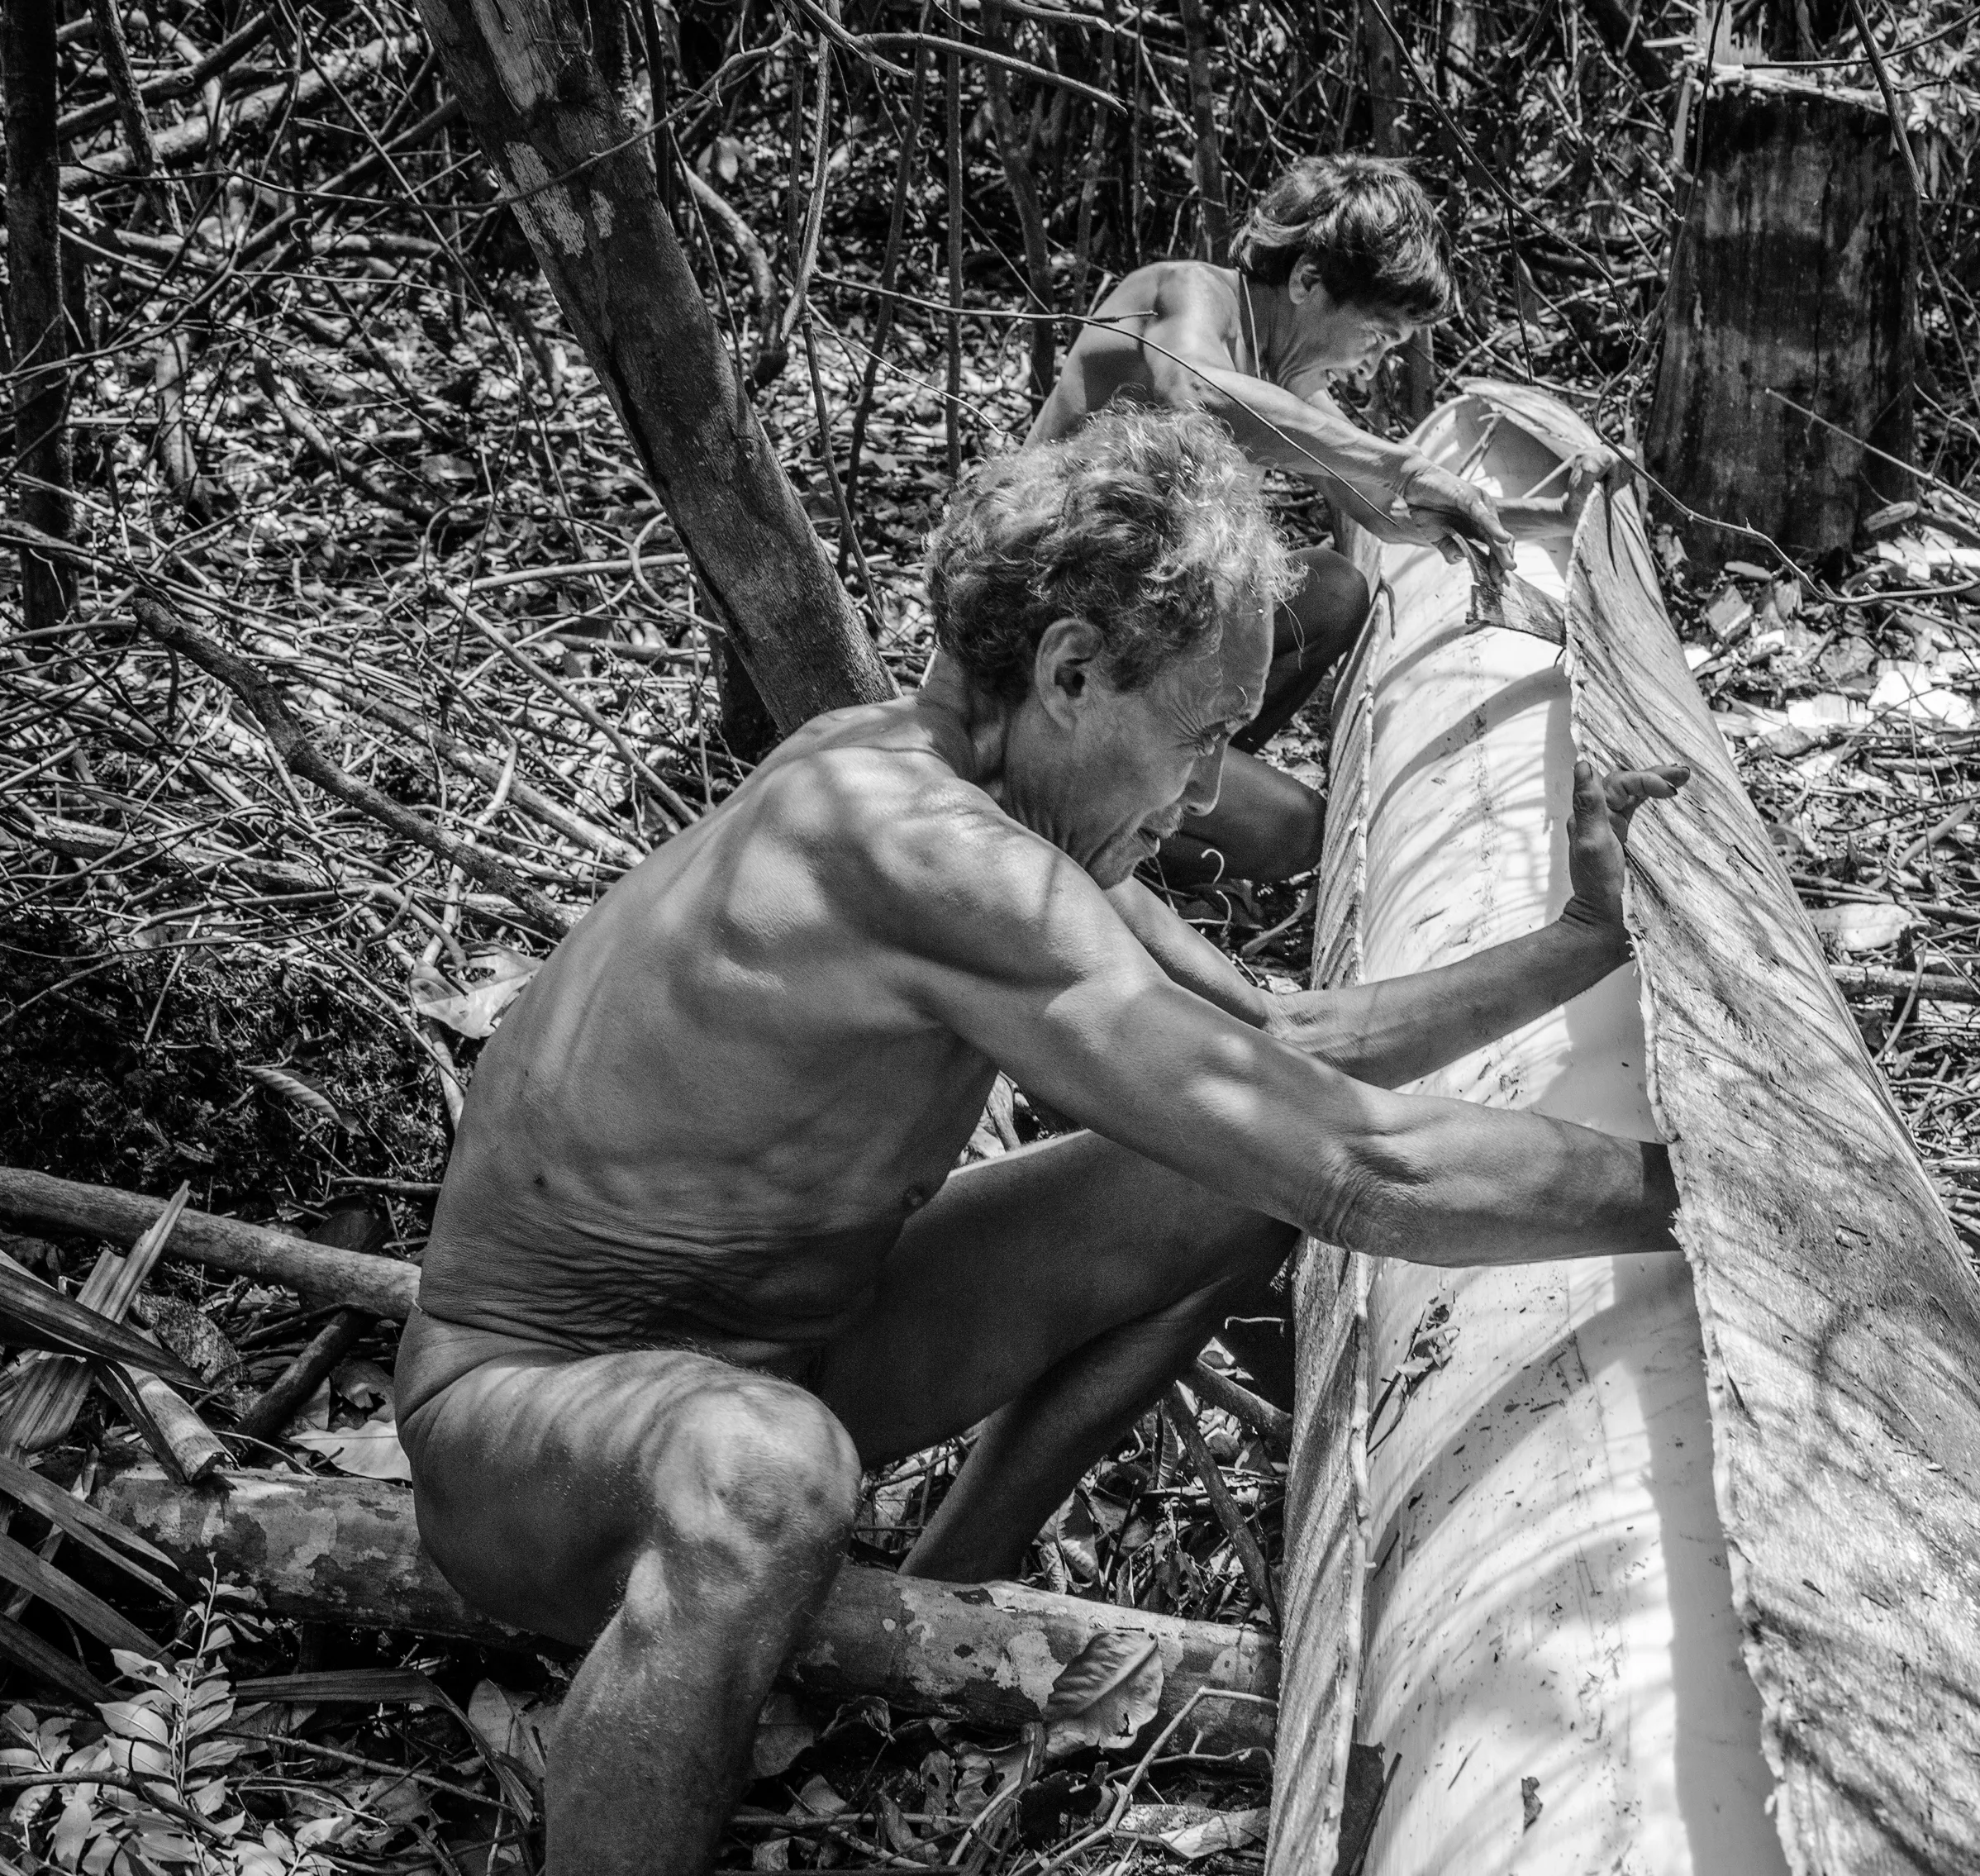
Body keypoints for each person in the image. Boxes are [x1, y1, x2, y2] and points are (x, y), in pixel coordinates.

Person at [396, 407, 1683, 1876]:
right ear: (1071, 671)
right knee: (764, 1470)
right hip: (528, 1429)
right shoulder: (915, 848)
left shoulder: (1009, 818)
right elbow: (1368, 1167)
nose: (1208, 793)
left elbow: (1289, 1067)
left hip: (775, 1358)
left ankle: (945, 1591)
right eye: (1201, 736)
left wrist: (1574, 943)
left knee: (1210, 1182)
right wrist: (1702, 1198)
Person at [1026, 154, 1511, 883]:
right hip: (1052, 662)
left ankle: (1170, 787)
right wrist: (1403, 465)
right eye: (1376, 334)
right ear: (1308, 280)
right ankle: (1106, 832)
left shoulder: (1282, 367)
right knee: (1299, 832)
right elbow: (1200, 394)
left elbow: (1362, 484)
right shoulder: (1186, 294)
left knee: (1332, 588)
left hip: (1139, 641)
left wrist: (1456, 523)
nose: (1374, 363)